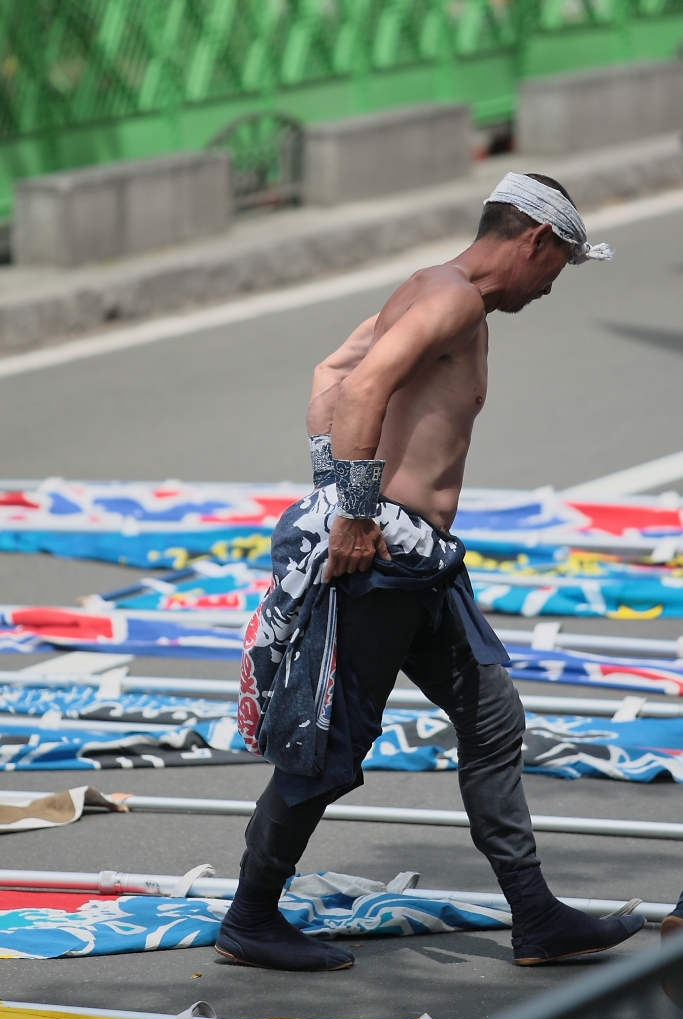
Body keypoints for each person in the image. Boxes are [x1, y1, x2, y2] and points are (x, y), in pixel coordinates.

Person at [216, 172, 644, 972]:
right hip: (379, 560)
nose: (550, 288)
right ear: (532, 243)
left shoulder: (430, 288)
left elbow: (327, 375)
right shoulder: (449, 300)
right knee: (328, 752)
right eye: (555, 269)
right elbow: (364, 387)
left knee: (490, 720)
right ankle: (249, 916)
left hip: (420, 563)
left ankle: (535, 916)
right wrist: (347, 514)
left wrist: (333, 492)